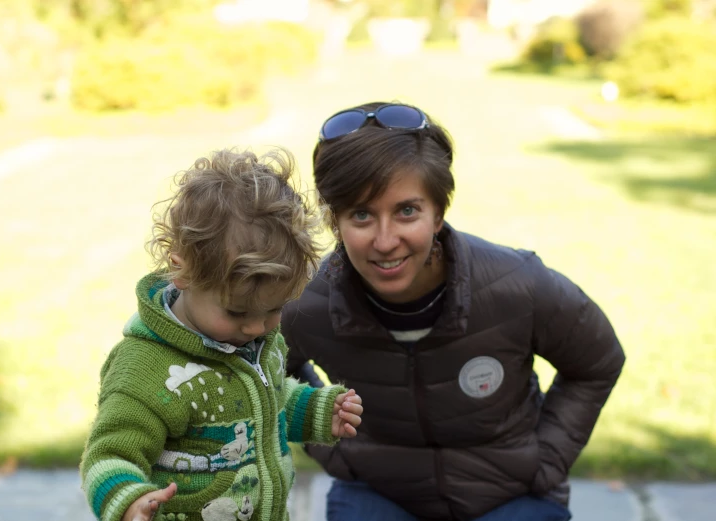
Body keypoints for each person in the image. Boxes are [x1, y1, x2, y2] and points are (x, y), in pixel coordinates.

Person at [282, 102, 625, 521]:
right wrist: (335, 449)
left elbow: (596, 361)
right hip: (378, 491)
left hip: (510, 495)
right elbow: (269, 372)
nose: (386, 240)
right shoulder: (306, 305)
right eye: (361, 215)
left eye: (407, 210)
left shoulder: (518, 283)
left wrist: (546, 460)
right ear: (335, 221)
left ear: (439, 212)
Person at [80, 148, 363, 521]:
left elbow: (267, 400)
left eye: (275, 310)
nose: (257, 327)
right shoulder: (145, 370)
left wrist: (315, 410)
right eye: (237, 312)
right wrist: (130, 500)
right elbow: (109, 455)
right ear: (182, 273)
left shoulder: (254, 341)